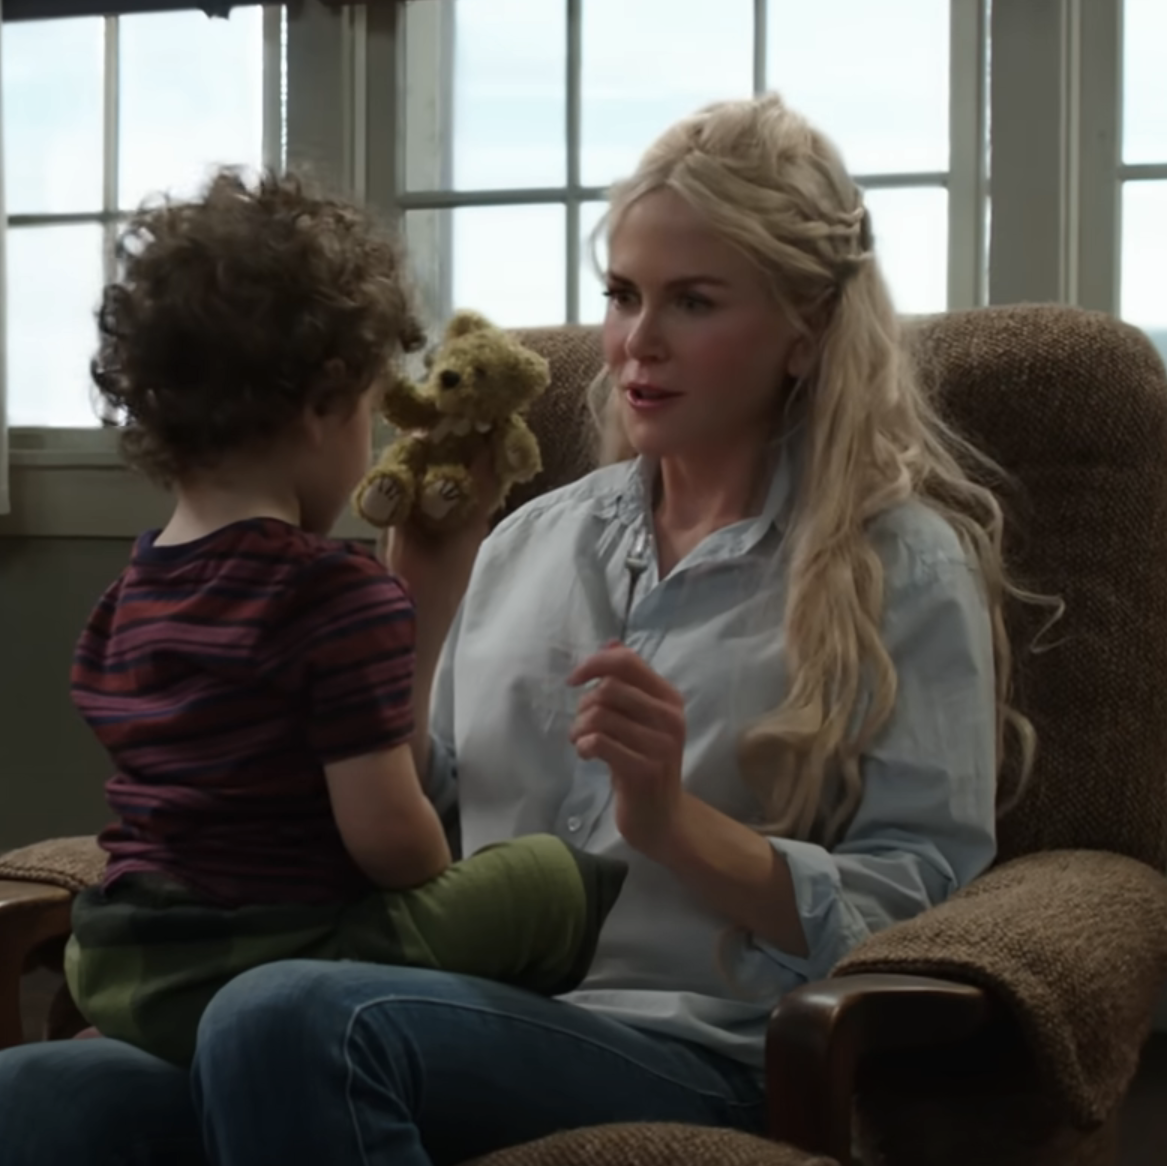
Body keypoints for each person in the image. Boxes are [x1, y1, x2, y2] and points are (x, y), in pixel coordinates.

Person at [0, 93, 1039, 1166]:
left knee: (285, 1019)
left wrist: (676, 823)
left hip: (699, 1047)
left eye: (692, 301)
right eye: (623, 294)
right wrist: (421, 595)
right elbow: (419, 826)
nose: (637, 342)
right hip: (444, 1001)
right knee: (35, 1091)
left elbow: (921, 904)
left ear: (804, 331)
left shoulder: (901, 566)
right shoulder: (527, 539)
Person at [34, 170, 629, 1071]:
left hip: (118, 960)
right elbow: (389, 843)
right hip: (272, 955)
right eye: (368, 409)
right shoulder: (330, 592)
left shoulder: (127, 596)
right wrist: (443, 878)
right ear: (322, 405)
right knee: (548, 882)